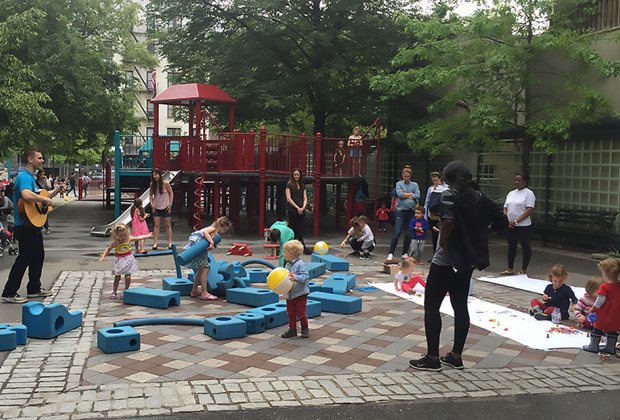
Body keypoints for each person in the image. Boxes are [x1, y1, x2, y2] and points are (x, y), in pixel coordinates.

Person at [410, 160, 508, 372]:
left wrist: (444, 241)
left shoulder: (449, 195)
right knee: (460, 305)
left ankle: (433, 357)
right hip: (468, 260)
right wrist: (479, 234)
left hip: (446, 258)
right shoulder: (481, 198)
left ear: (448, 180)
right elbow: (502, 221)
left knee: (432, 306)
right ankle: (456, 355)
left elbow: (448, 221)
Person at [1, 147, 56, 303]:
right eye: (39, 158)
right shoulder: (24, 177)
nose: (42, 160)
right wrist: (44, 200)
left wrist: (54, 192)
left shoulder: (30, 177)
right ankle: (9, 292)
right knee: (24, 258)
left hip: (32, 224)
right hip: (24, 225)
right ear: (30, 160)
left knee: (38, 256)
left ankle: (34, 288)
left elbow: (38, 199)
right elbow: (26, 195)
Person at [181, 216, 232, 301]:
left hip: (198, 246)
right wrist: (211, 242)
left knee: (201, 270)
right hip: (198, 246)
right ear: (221, 225)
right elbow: (205, 232)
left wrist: (212, 244)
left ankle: (194, 290)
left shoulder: (214, 230)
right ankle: (204, 293)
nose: (223, 232)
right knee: (205, 269)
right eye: (224, 230)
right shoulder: (213, 228)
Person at [99, 224, 152, 299]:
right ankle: (114, 291)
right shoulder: (116, 242)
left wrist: (148, 235)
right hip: (119, 260)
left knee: (128, 277)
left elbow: (139, 237)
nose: (123, 238)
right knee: (117, 277)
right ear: (116, 236)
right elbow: (108, 248)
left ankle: (126, 290)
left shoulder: (128, 239)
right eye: (121, 236)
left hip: (128, 259)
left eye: (124, 235)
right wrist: (103, 256)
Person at [583, 258, 620, 356]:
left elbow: (601, 300)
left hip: (605, 312)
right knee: (612, 329)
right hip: (616, 313)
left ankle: (593, 345)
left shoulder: (604, 286)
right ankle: (610, 347)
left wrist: (594, 308)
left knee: (597, 328)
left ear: (606, 274)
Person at [500, 172, 536, 276]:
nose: (517, 182)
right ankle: (509, 268)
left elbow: (529, 209)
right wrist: (508, 219)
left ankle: (524, 269)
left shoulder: (529, 194)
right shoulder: (511, 193)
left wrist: (517, 221)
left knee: (525, 245)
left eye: (519, 180)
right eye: (516, 180)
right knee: (512, 245)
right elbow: (505, 207)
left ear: (525, 182)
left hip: (523, 225)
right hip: (511, 225)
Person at [387, 167, 420, 261]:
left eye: (408, 176)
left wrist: (406, 194)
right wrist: (411, 195)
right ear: (402, 176)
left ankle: (404, 252)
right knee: (397, 231)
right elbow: (399, 195)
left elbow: (418, 195)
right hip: (400, 210)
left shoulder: (414, 184)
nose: (406, 178)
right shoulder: (399, 184)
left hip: (411, 211)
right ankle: (391, 253)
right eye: (405, 176)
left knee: (409, 232)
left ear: (410, 176)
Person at [280, 240, 311, 339]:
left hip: (300, 294)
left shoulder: (300, 264)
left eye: (285, 251)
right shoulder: (287, 264)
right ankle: (292, 330)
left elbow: (306, 276)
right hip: (290, 294)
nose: (283, 253)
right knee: (290, 313)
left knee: (301, 313)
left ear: (292, 253)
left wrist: (296, 277)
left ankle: (305, 329)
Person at [285, 169, 311, 255]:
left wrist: (303, 207)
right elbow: (288, 198)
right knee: (292, 228)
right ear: (292, 175)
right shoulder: (289, 185)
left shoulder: (302, 185)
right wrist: (297, 208)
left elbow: (305, 198)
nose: (296, 176)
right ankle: (292, 247)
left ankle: (301, 246)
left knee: (301, 228)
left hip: (301, 210)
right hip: (292, 210)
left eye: (298, 174)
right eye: (295, 174)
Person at [424, 171, 448, 255]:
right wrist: (426, 215)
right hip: (432, 215)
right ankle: (435, 254)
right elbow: (427, 202)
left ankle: (441, 254)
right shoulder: (431, 189)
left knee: (442, 235)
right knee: (434, 236)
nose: (435, 183)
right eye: (433, 181)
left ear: (440, 179)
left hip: (441, 215)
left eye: (436, 180)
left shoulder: (446, 188)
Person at [149, 168, 174, 250]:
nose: (154, 176)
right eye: (153, 175)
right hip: (157, 207)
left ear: (159, 175)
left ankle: (170, 242)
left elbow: (171, 193)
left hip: (166, 206)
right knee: (156, 225)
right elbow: (150, 195)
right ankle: (155, 242)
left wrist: (170, 204)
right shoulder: (152, 185)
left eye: (156, 174)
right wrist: (152, 204)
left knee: (167, 225)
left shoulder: (165, 183)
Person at [36, 169, 52, 234]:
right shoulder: (36, 181)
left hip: (44, 198)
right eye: (41, 174)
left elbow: (49, 187)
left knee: (45, 213)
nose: (42, 176)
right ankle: (40, 226)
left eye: (43, 174)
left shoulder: (45, 181)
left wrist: (46, 178)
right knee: (38, 213)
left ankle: (47, 227)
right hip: (38, 199)